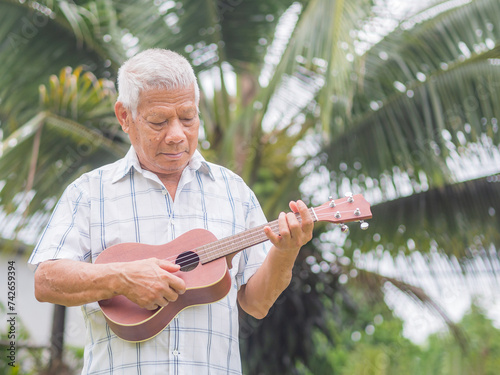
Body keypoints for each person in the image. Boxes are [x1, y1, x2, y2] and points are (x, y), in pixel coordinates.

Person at [28, 48, 313, 374]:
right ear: (125, 116)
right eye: (159, 121)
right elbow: (46, 281)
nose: (177, 135)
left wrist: (287, 252)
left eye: (188, 118)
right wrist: (121, 278)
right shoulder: (89, 192)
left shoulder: (235, 192)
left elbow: (257, 303)